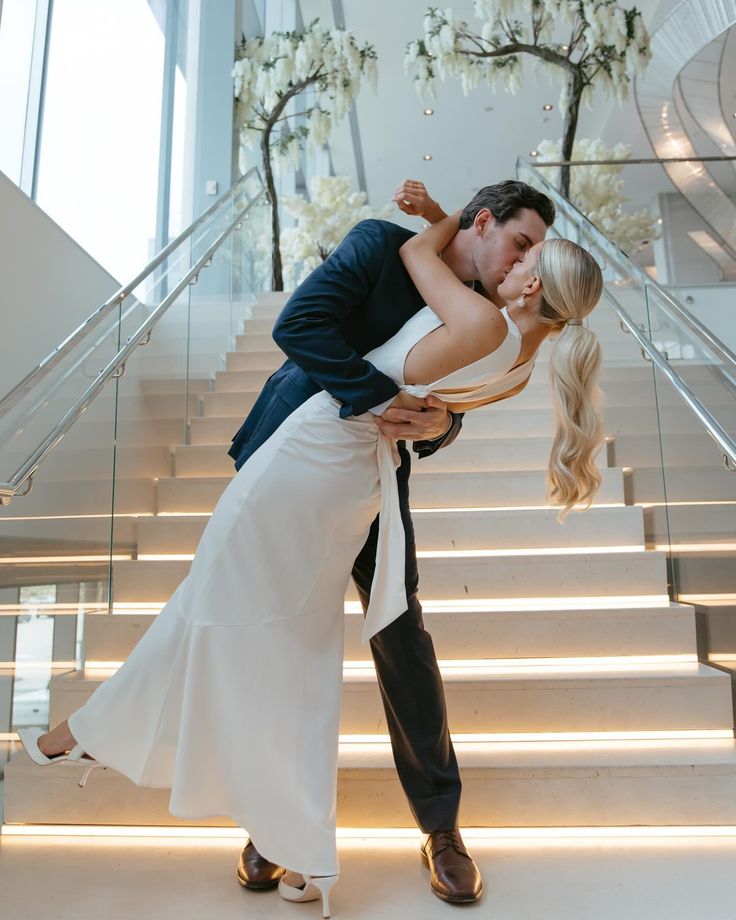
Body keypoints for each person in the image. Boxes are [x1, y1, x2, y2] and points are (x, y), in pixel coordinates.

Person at [19, 190, 603, 918]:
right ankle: (273, 825)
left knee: (376, 637)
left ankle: (430, 827)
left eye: (532, 256)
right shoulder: (381, 248)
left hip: (361, 476)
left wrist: (428, 420)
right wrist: (379, 400)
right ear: (484, 225)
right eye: (521, 243)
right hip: (307, 449)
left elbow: (446, 407)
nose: (520, 261)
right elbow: (300, 325)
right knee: (271, 629)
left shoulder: (485, 310)